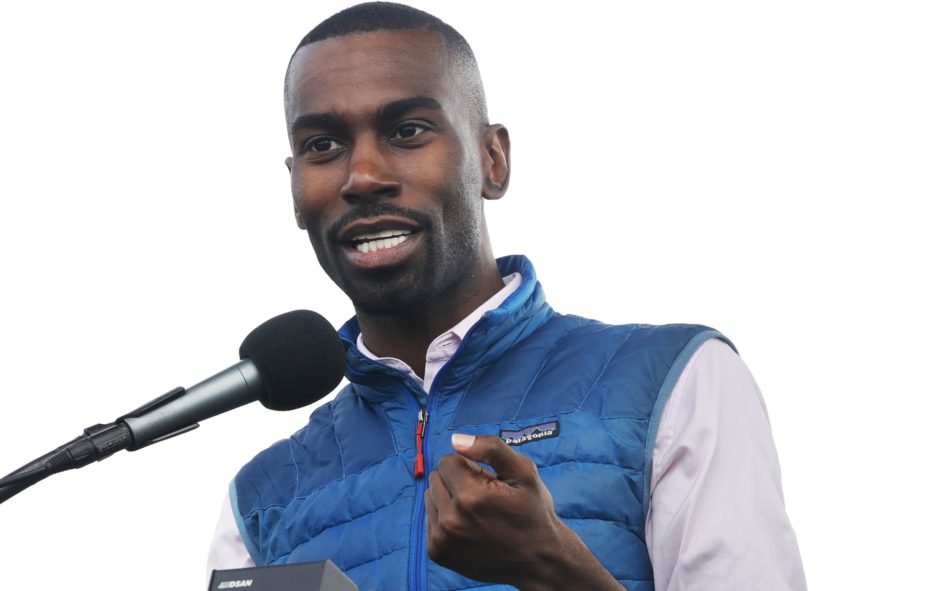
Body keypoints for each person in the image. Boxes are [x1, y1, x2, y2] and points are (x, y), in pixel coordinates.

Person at [208, 3, 806, 590]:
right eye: (322, 146)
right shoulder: (261, 500)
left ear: (492, 160)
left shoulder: (674, 383)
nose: (362, 175)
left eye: (407, 131)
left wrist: (556, 572)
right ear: (293, 187)